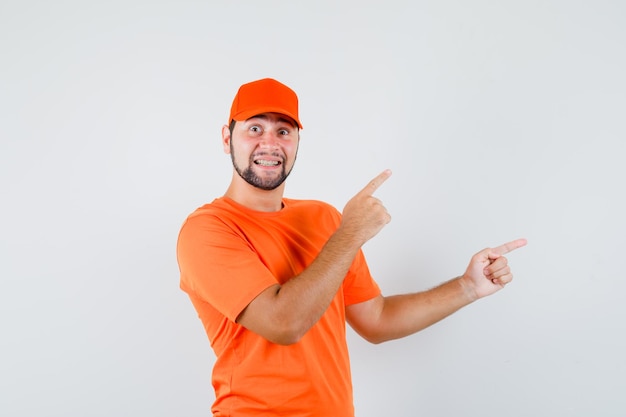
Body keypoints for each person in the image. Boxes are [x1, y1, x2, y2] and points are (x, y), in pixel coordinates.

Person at [176, 77, 527, 417]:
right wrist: (351, 233)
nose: (269, 143)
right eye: (255, 128)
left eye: (283, 131)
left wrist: (467, 287)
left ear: (297, 142)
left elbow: (376, 320)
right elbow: (283, 324)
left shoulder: (324, 219)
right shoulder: (207, 229)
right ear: (227, 138)